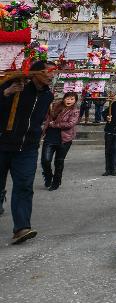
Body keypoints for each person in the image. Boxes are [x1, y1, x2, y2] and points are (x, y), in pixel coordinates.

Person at [0, 62, 55, 244]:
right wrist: (6, 93)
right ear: (35, 72)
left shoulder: (48, 95)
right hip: (2, 143)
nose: (51, 75)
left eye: (53, 72)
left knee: (24, 186)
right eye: (48, 71)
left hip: (27, 148)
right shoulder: (14, 84)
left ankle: (22, 227)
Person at [40, 91, 80, 191]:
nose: (69, 101)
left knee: (59, 162)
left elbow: (70, 124)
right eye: (67, 98)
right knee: (45, 161)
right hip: (50, 137)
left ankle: (56, 182)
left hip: (64, 139)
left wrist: (55, 125)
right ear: (64, 98)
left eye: (72, 99)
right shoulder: (55, 106)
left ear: (75, 101)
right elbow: (46, 117)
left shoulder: (75, 111)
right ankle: (48, 176)